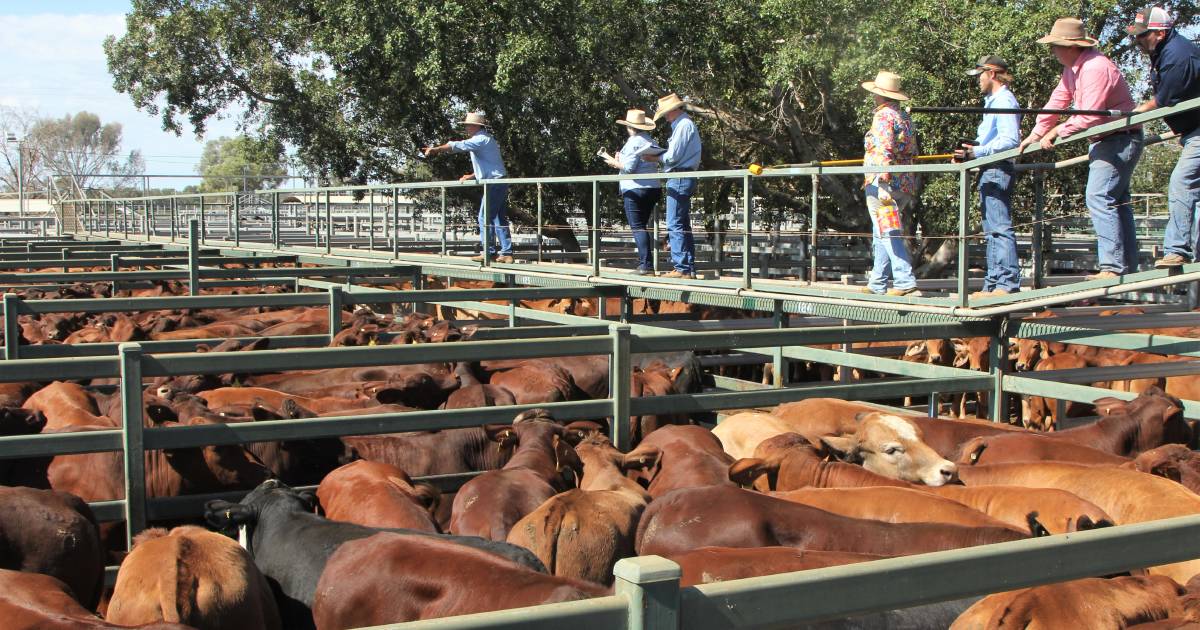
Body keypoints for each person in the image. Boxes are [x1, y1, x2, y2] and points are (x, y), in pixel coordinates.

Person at [1018, 18, 1143, 280]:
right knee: (1117, 202)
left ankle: (1113, 267)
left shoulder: (1095, 68)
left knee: (1098, 197)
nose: (1052, 51)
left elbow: (1091, 116)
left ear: (1070, 46)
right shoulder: (1074, 68)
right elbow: (1058, 100)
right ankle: (1124, 267)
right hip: (1109, 139)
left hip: (1118, 140)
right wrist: (1038, 132)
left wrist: (1057, 131)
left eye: (1055, 46)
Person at [1126, 7, 1200, 269]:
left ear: (1160, 32)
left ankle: (1177, 249)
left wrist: (1134, 114)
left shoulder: (1178, 56)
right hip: (1192, 132)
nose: (1137, 41)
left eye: (1141, 36)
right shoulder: (1164, 51)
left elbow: (1164, 99)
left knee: (1183, 182)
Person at [955, 56, 1022, 297]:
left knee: (999, 226)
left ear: (991, 74)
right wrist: (969, 153)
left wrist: (977, 151)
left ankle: (1006, 283)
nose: (978, 81)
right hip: (989, 167)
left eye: (980, 75)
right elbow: (991, 140)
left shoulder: (1004, 99)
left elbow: (1010, 140)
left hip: (997, 167)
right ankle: (994, 283)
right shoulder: (993, 100)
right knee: (991, 227)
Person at [422, 112, 513, 264]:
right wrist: (471, 176)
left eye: (468, 125)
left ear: (477, 126)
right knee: (498, 218)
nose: (466, 128)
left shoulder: (480, 139)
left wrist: (436, 149)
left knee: (484, 217)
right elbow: (491, 165)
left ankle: (489, 252)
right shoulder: (486, 140)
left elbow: (457, 145)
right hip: (498, 181)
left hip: (494, 183)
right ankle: (506, 253)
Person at [861, 70, 921, 297]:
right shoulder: (904, 117)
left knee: (887, 231)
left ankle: (905, 280)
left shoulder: (883, 116)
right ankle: (877, 282)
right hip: (904, 181)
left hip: (884, 182)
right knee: (882, 231)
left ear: (879, 95)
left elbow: (884, 145)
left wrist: (883, 172)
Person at [643, 93, 701, 279]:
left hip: (679, 175)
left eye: (666, 113)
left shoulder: (683, 125)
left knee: (674, 222)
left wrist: (656, 157)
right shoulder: (684, 124)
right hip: (683, 175)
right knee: (682, 222)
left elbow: (673, 156)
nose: (666, 117)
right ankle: (687, 267)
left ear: (675, 109)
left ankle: (682, 267)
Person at [603, 109, 662, 275]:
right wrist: (621, 159)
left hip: (635, 189)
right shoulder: (650, 141)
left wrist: (614, 162)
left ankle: (646, 266)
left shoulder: (632, 142)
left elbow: (629, 169)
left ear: (629, 127)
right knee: (642, 227)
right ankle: (645, 263)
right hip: (653, 188)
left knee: (637, 227)